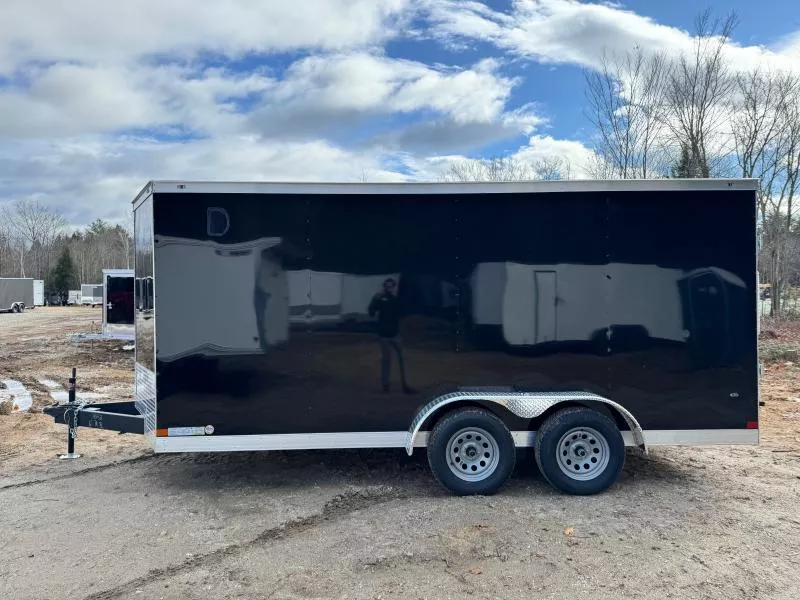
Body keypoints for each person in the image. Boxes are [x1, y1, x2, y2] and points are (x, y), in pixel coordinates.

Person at [368, 277, 415, 394]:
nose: (389, 288)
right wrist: (374, 301)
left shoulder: (396, 300)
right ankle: (385, 386)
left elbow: (402, 316)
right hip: (384, 335)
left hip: (395, 334)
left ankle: (405, 385)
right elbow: (371, 312)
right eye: (387, 286)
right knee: (386, 360)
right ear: (385, 287)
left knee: (403, 359)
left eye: (391, 286)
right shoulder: (379, 299)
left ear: (394, 287)